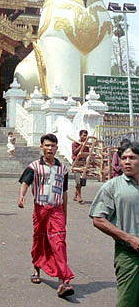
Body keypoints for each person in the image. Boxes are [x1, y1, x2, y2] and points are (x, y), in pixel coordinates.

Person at [18, 133, 74, 298]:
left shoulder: (62, 169)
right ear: (41, 147)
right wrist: (21, 196)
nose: (50, 149)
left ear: (57, 148)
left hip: (56, 211)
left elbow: (64, 193)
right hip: (40, 210)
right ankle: (37, 268)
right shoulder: (34, 167)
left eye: (53, 146)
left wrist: (64, 214)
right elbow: (25, 182)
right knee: (40, 239)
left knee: (59, 243)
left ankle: (63, 281)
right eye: (47, 146)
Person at [89, 141, 139, 307]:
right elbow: (98, 218)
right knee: (128, 301)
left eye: (132, 157)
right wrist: (130, 239)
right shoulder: (112, 187)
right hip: (129, 255)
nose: (127, 161)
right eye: (123, 158)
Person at [71, 129, 89, 203]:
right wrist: (81, 145)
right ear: (80, 135)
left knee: (82, 182)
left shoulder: (87, 145)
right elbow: (74, 152)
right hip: (77, 163)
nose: (85, 137)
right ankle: (79, 197)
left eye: (86, 136)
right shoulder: (75, 143)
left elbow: (88, 153)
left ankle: (75, 196)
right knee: (78, 181)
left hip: (83, 164)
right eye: (83, 135)